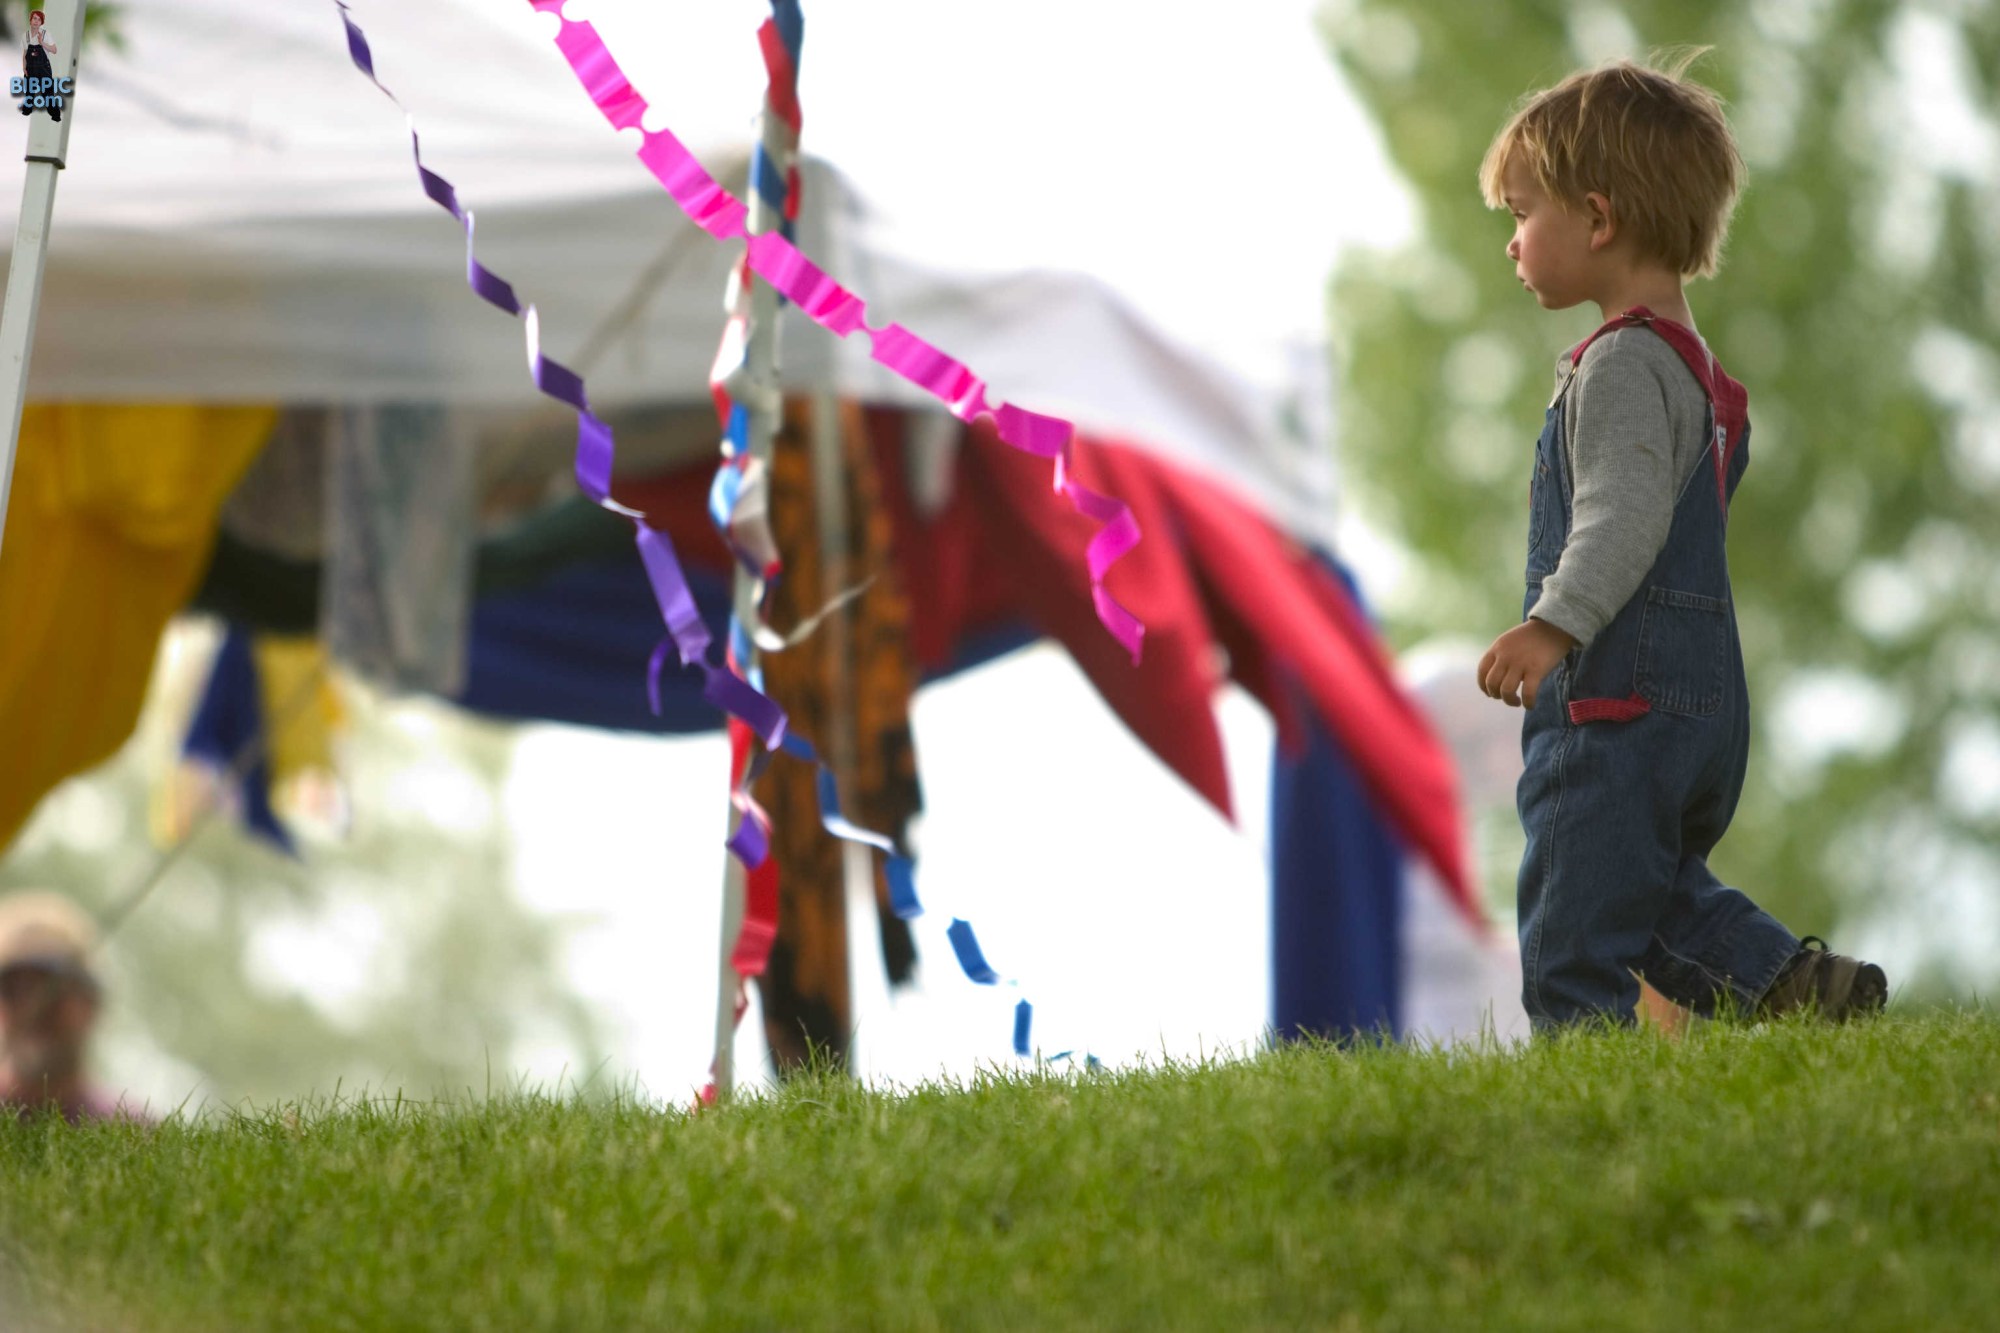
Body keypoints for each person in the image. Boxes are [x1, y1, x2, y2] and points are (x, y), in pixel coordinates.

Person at [1471, 54, 1888, 1032]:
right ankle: (1794, 986)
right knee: (1649, 893)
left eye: (1522, 214)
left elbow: (1621, 519)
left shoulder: (1619, 363)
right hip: (1698, 709)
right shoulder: (1695, 375)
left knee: (1571, 924)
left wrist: (1550, 625)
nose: (1512, 242)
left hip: (1615, 703)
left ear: (1597, 219)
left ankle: (1585, 1091)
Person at [0, 891, 138, 1122]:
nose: (34, 1007)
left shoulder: (132, 1130)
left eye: (54, 992)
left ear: (91, 1003)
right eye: (13, 990)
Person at [20, 9, 59, 123]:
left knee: (47, 94)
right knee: (29, 92)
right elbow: (25, 53)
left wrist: (42, 43)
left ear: (42, 22)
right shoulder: (25, 36)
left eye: (39, 19)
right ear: (30, 20)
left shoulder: (46, 34)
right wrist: (24, 67)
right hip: (30, 68)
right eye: (34, 18)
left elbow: (54, 50)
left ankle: (55, 115)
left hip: (43, 69)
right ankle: (26, 111)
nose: (36, 21)